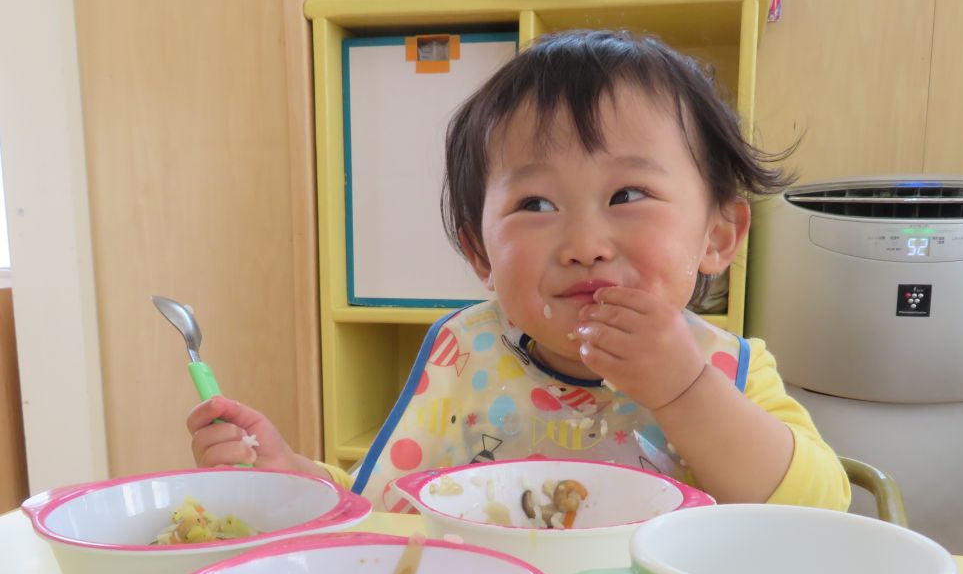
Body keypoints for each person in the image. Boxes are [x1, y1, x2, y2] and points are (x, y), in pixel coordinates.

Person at [187, 29, 850, 512]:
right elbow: (384, 513)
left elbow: (818, 509)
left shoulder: (729, 370)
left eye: (627, 195)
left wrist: (682, 390)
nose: (585, 244)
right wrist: (290, 477)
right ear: (481, 254)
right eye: (535, 204)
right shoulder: (463, 359)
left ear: (718, 235)